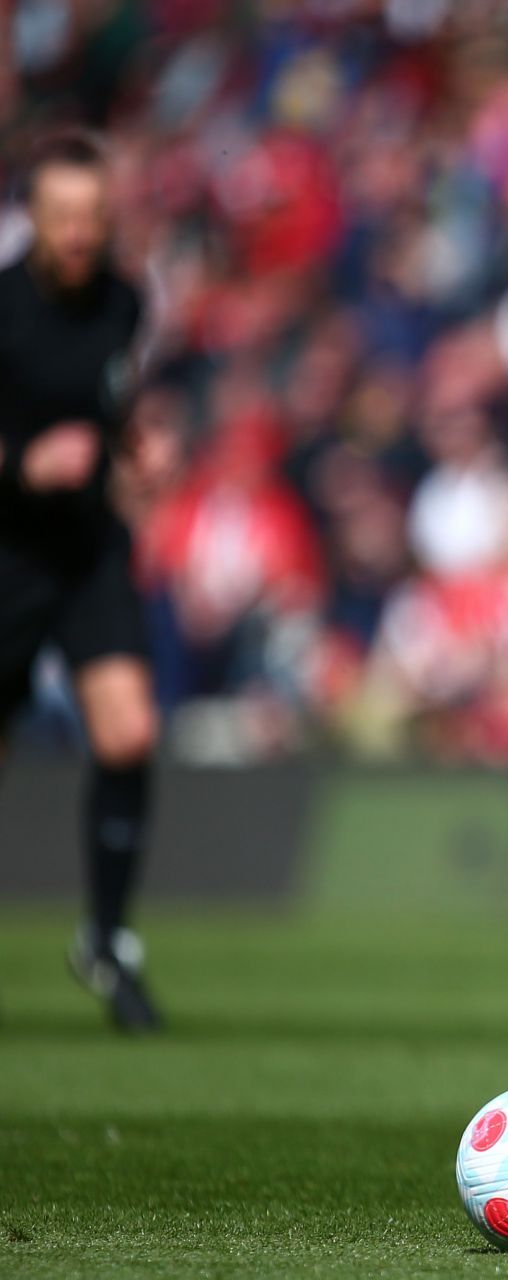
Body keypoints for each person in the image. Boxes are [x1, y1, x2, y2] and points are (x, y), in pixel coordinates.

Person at [0, 131, 162, 1032]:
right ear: (33, 218)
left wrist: (143, 446)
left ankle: (106, 939)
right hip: (7, 553)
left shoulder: (124, 303)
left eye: (93, 217)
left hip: (88, 548)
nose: (78, 233)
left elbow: (118, 403)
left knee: (131, 733)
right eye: (63, 216)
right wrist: (25, 463)